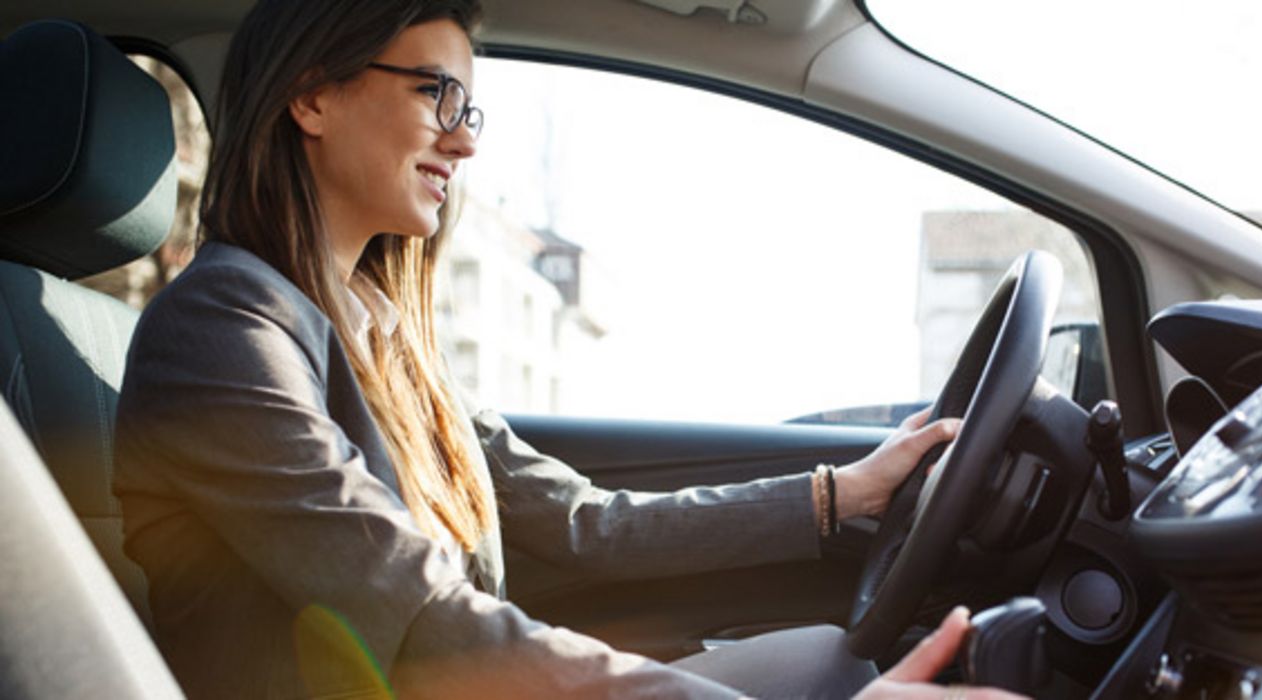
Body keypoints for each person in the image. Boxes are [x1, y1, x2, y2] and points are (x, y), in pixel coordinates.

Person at [112, 1, 1025, 698]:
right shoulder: (221, 330)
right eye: (437, 93)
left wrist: (841, 494)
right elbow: (421, 611)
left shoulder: (384, 336)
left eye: (470, 106)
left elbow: (588, 524)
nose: (464, 138)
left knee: (834, 662)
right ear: (310, 94)